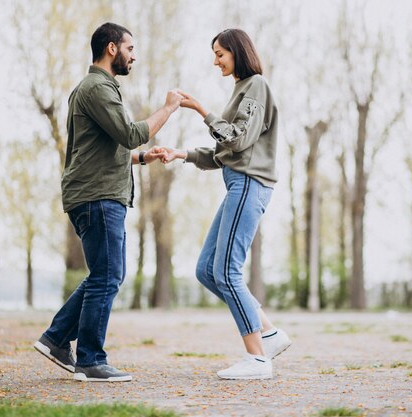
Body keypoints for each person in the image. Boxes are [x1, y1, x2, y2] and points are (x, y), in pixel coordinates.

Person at [34, 22, 183, 383]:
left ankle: (55, 339)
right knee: (109, 275)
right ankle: (90, 359)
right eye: (131, 49)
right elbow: (130, 133)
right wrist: (169, 108)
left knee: (104, 273)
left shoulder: (94, 89)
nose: (134, 56)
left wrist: (143, 158)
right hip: (98, 196)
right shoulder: (98, 87)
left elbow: (101, 150)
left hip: (93, 193)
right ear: (112, 48)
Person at [163, 28, 291, 380]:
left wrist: (201, 110)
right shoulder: (241, 91)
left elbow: (236, 139)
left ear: (237, 52)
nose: (215, 61)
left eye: (220, 53)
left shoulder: (256, 87)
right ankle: (270, 333)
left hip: (250, 183)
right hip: (238, 181)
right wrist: (182, 154)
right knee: (207, 269)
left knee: (227, 270)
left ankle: (258, 359)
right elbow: (224, 153)